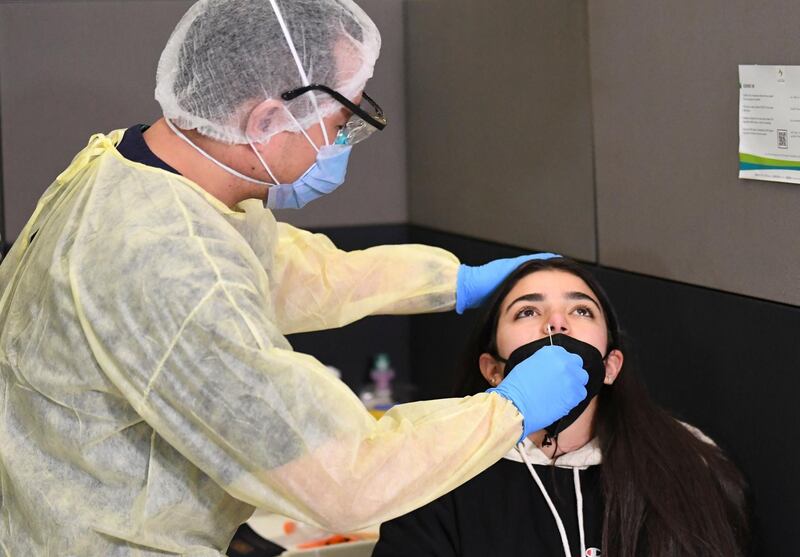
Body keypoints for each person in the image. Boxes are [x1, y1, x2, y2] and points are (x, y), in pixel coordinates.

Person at [0, 1, 592, 555]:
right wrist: (509, 409)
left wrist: (451, 281)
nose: (336, 144)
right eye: (338, 124)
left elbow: (289, 271)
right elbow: (346, 476)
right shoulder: (171, 261)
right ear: (267, 118)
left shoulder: (130, 170)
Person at [374, 257, 750, 557]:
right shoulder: (439, 472)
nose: (556, 322)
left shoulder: (686, 460)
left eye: (582, 311)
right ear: (492, 370)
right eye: (527, 312)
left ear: (611, 366)